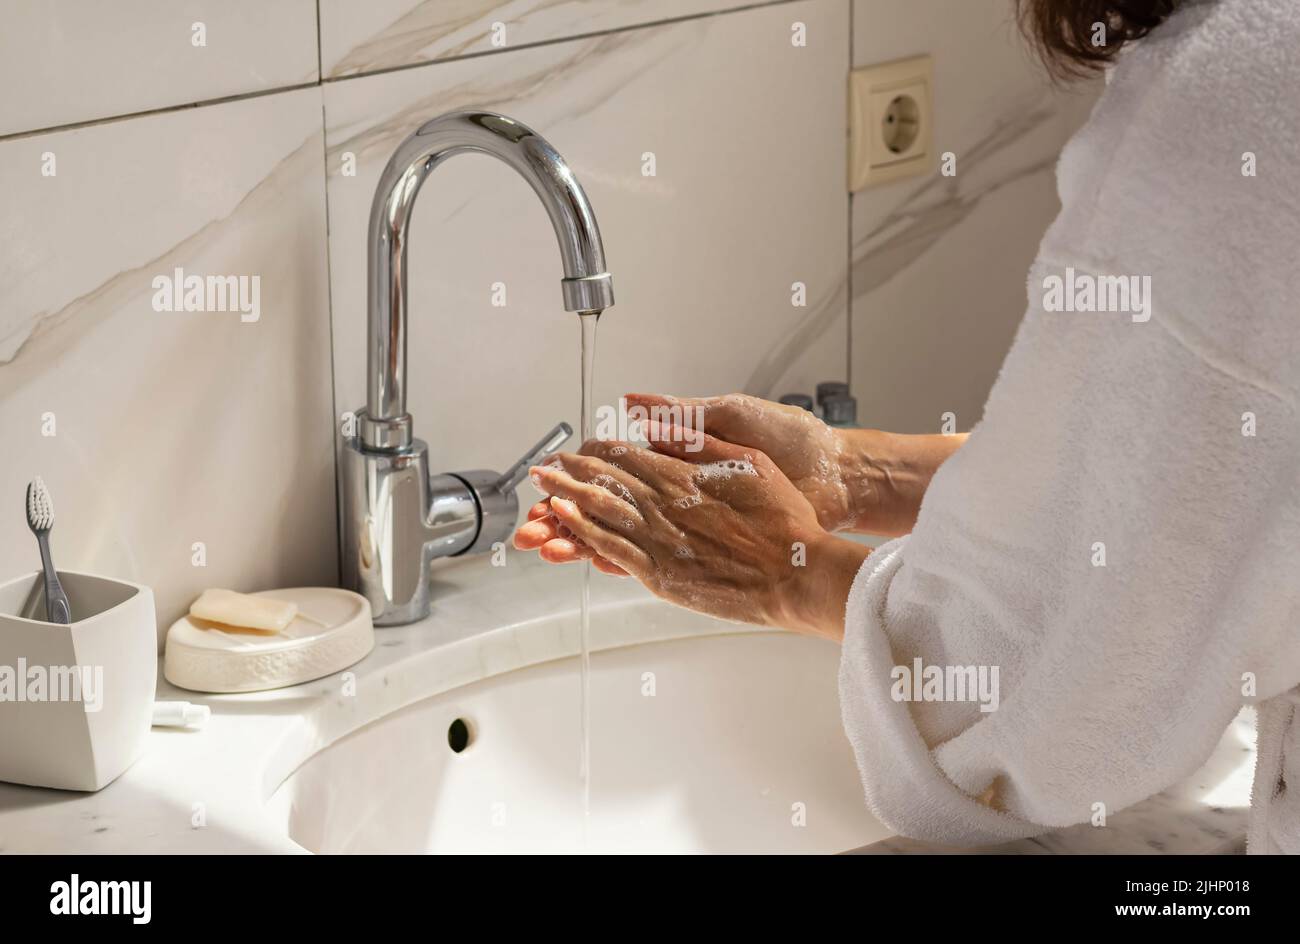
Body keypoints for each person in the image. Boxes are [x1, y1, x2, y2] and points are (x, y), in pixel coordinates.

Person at [515, 0, 1300, 853]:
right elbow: (1218, 480)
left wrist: (789, 574)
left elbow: (1036, 703)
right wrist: (859, 473)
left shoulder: (1227, 98)